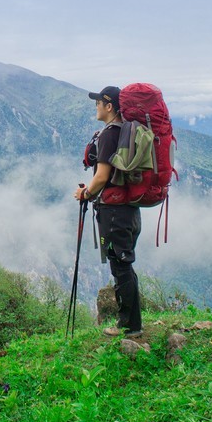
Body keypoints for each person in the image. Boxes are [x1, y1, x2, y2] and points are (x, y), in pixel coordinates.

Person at [74, 85, 143, 338]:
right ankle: (132, 322)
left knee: (121, 267)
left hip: (114, 213)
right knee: (124, 264)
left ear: (109, 106)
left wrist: (85, 193)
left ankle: (129, 326)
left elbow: (102, 177)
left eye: (98, 103)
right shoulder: (126, 132)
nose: (96, 107)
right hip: (129, 212)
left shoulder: (109, 135)